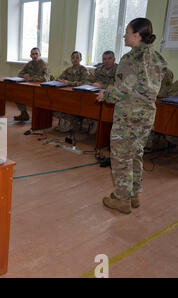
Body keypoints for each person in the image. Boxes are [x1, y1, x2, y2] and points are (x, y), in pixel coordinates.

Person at [97, 18, 168, 214]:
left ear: (137, 35)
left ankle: (122, 199)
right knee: (136, 155)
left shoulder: (130, 59)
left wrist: (106, 94)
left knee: (121, 158)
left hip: (128, 117)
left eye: (127, 32)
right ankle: (134, 195)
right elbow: (146, 88)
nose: (124, 35)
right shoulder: (158, 58)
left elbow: (124, 90)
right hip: (146, 117)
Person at [56, 51, 91, 133]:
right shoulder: (68, 70)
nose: (75, 59)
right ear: (71, 59)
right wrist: (62, 81)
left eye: (77, 57)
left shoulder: (84, 70)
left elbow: (85, 83)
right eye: (73, 57)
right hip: (68, 95)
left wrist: (70, 83)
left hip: (80, 96)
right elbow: (58, 79)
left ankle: (73, 121)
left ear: (81, 59)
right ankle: (66, 121)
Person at [15, 47, 50, 122]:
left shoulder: (44, 64)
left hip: (41, 89)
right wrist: (24, 76)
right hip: (30, 86)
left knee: (36, 99)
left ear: (40, 55)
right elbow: (19, 73)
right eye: (33, 54)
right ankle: (24, 113)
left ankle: (40, 119)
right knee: (17, 95)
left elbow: (45, 79)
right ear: (30, 56)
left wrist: (30, 78)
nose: (35, 56)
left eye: (36, 54)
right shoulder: (29, 64)